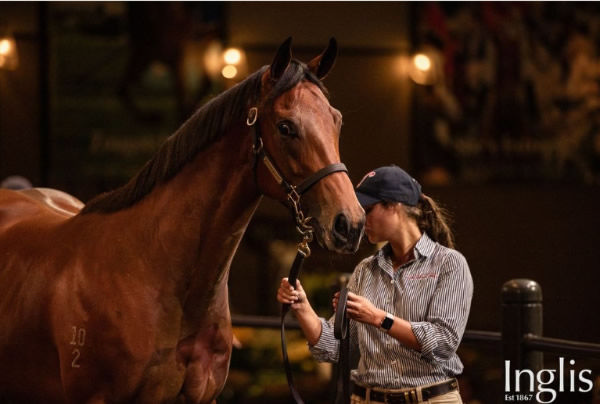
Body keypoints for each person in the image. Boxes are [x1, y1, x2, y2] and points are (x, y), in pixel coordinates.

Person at [277, 165, 473, 404]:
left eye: (367, 210)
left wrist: (378, 318)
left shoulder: (449, 264)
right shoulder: (365, 269)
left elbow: (443, 343)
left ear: (394, 206)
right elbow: (333, 347)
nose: (359, 218)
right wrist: (302, 306)